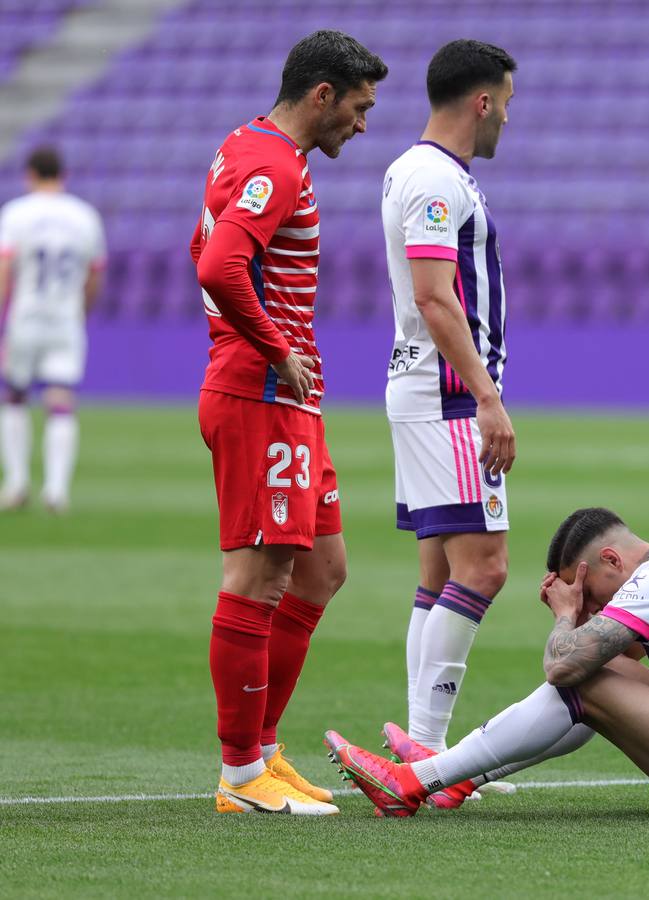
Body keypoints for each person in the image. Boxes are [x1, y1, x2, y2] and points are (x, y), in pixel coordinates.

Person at [326, 507, 649, 818]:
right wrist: (583, 614)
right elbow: (625, 655)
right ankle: (453, 774)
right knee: (601, 671)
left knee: (583, 680)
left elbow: (562, 667)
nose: (592, 609)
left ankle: (412, 784)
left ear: (611, 560)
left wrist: (566, 617)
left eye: (589, 592)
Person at [191, 30, 386, 815]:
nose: (362, 124)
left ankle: (264, 749)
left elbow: (201, 241)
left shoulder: (245, 147)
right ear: (321, 95)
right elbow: (218, 263)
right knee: (260, 576)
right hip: (262, 394)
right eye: (359, 107)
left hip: (287, 397)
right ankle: (240, 774)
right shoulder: (273, 164)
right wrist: (273, 346)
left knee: (321, 570)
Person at [377, 41, 517, 801]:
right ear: (482, 102)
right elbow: (436, 296)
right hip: (448, 395)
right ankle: (429, 758)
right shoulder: (434, 179)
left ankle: (419, 747)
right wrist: (487, 396)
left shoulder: (415, 169)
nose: (507, 121)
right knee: (485, 567)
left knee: (437, 574)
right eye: (508, 104)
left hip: (423, 390)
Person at [0, 147, 105, 513]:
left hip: (25, 318)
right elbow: (95, 275)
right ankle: (56, 491)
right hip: (65, 320)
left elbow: (5, 269)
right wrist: (81, 311)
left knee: (14, 396)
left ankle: (16, 484)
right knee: (61, 401)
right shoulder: (85, 216)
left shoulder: (15, 214)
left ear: (30, 174)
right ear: (63, 174)